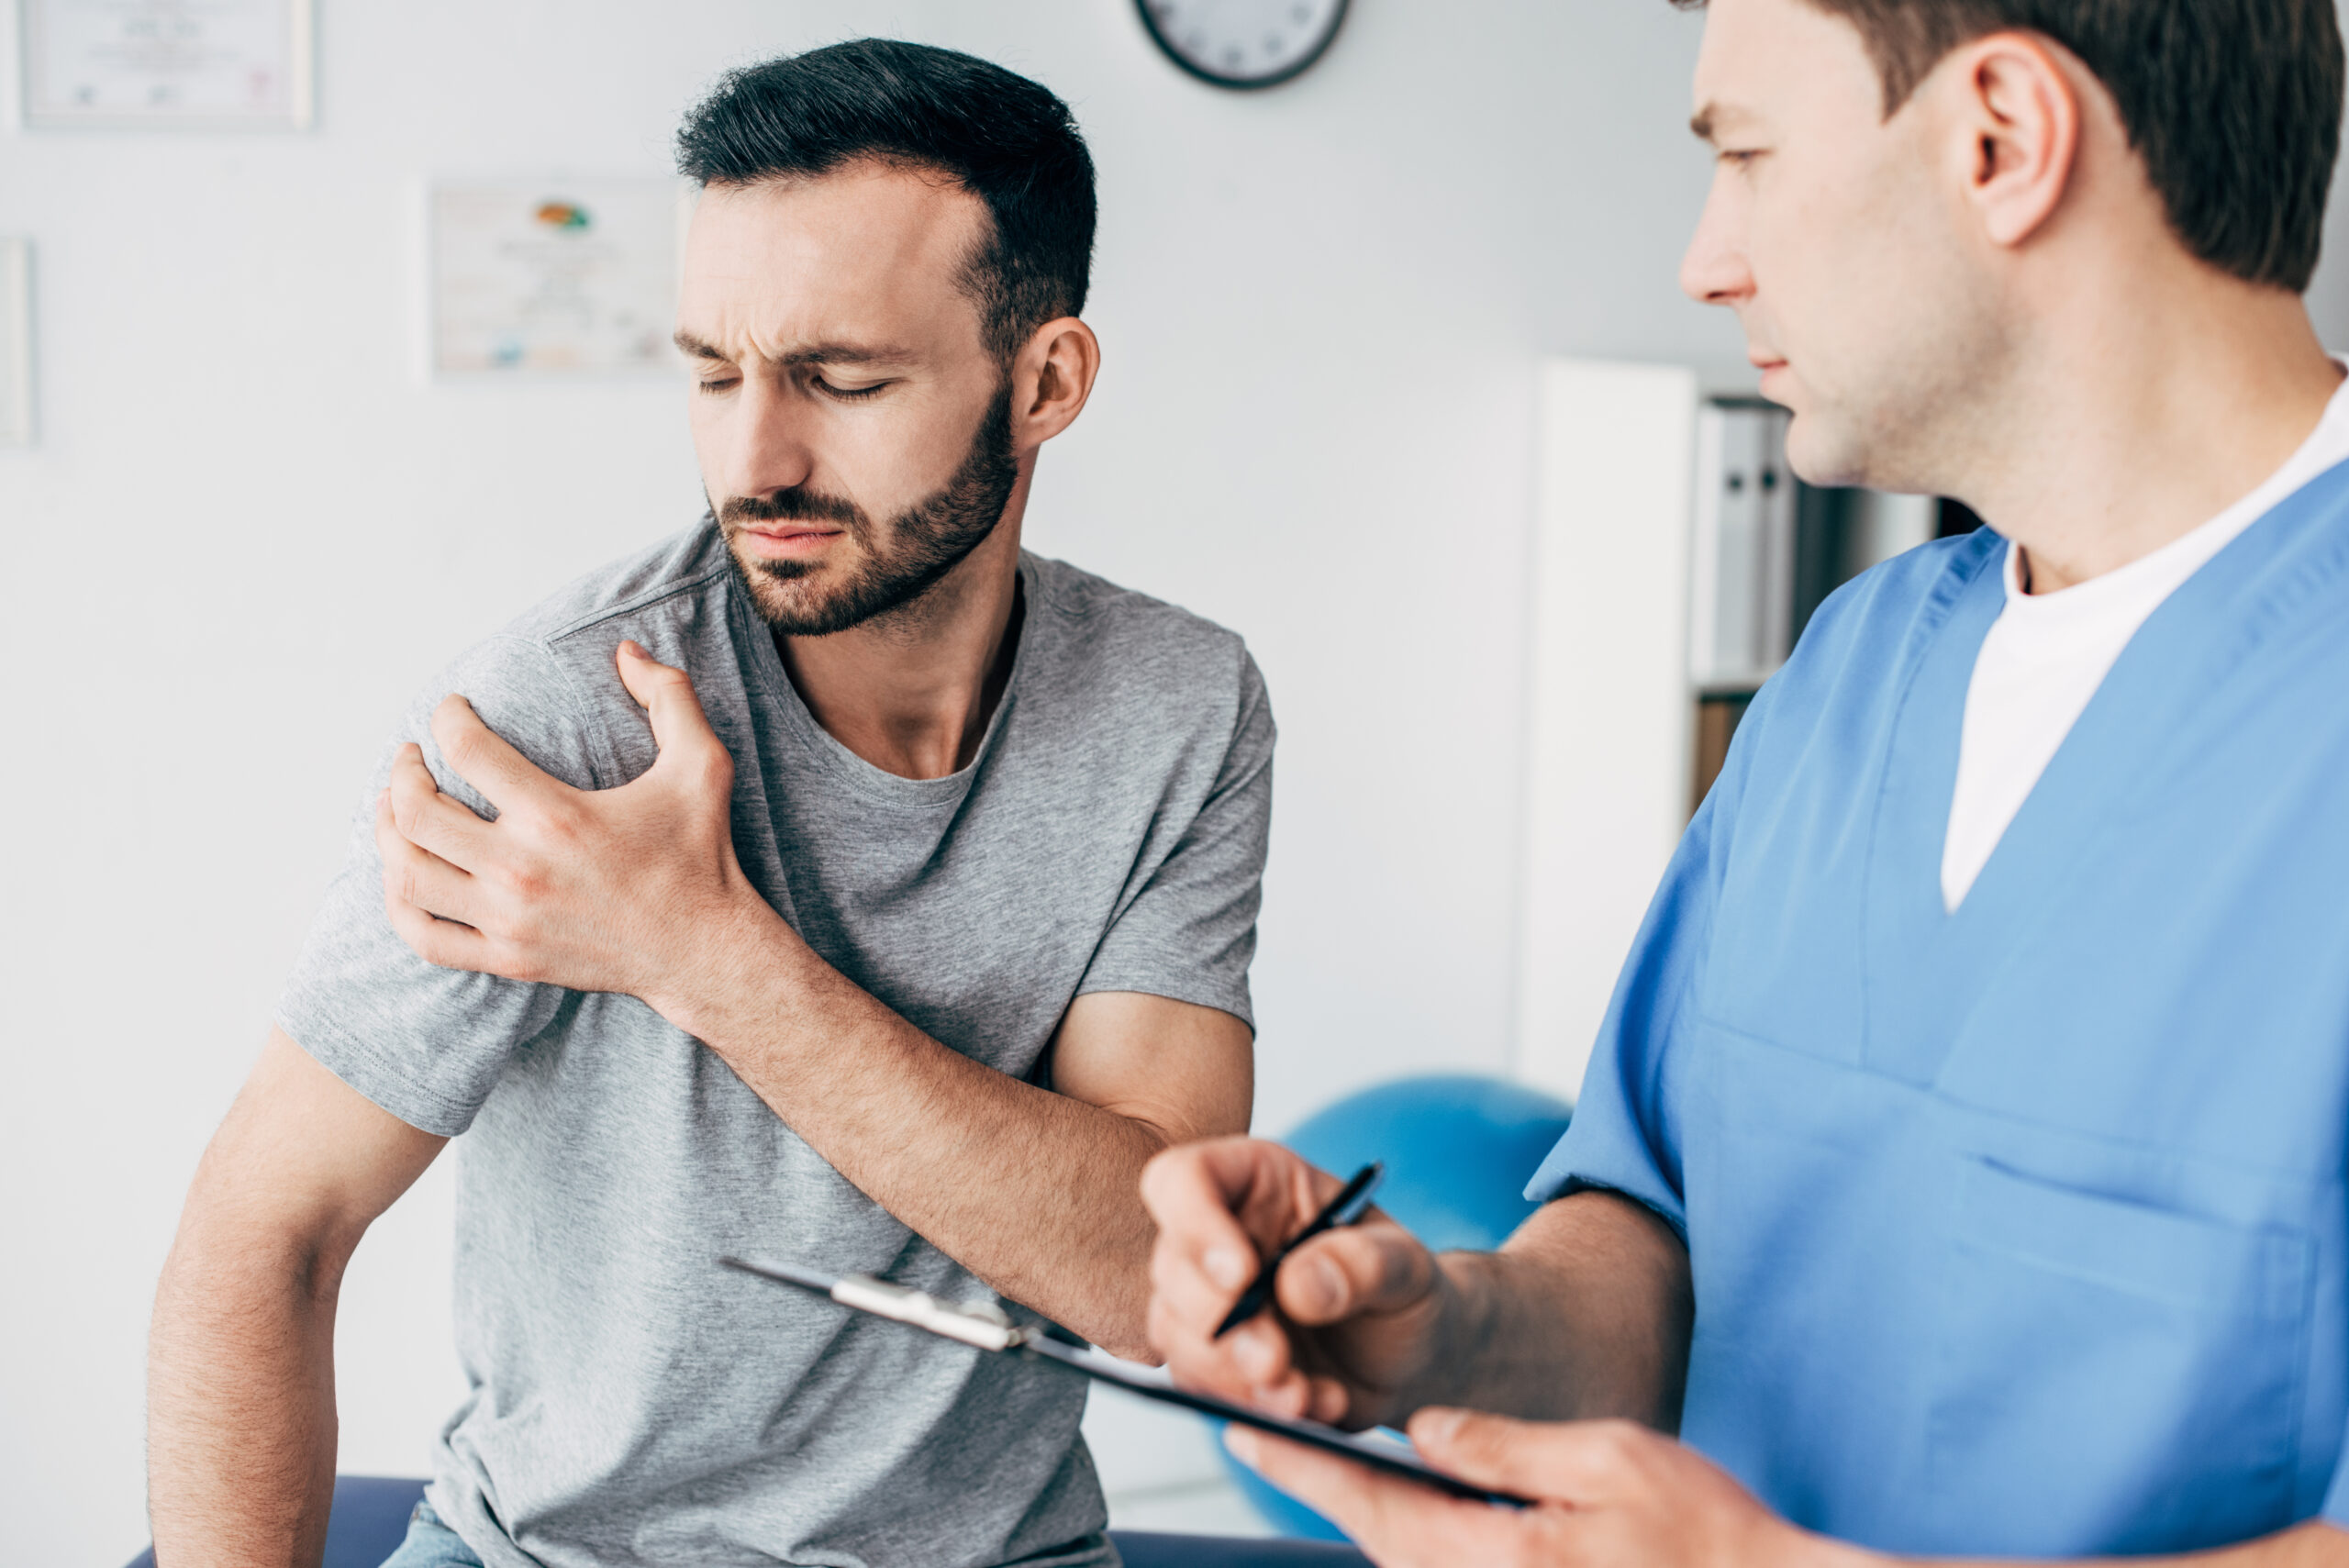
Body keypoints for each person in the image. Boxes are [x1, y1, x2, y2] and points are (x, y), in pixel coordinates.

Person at [1140, 0, 2349, 1562]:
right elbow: (1663, 1242)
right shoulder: (1853, 675)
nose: (1709, 260)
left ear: (2004, 140)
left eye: (1752, 159)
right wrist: (1445, 1327)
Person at [147, 39, 1272, 1568]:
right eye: (712, 371)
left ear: (1046, 380)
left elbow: (1157, 1278)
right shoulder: (563, 721)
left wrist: (699, 951)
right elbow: (262, 1230)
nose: (755, 458)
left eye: (842, 378)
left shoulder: (1177, 707)